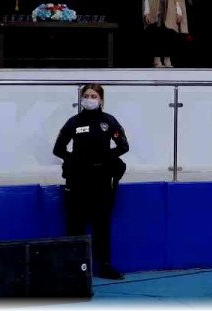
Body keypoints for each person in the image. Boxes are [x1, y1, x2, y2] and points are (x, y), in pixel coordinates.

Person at [53, 84, 128, 280]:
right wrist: (73, 160)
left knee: (101, 223)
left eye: (93, 95)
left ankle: (104, 266)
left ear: (101, 99)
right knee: (75, 224)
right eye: (86, 95)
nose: (89, 98)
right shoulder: (74, 122)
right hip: (78, 179)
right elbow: (58, 149)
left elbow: (123, 146)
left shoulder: (109, 121)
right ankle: (74, 267)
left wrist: (107, 157)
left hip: (102, 179)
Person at [142, 0, 186, 68]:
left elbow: (178, 0)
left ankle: (167, 59)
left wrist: (179, 13)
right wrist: (147, 13)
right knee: (157, 36)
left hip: (170, 15)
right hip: (157, 14)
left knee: (169, 36)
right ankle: (157, 60)